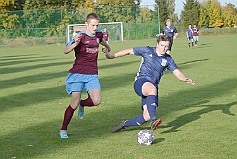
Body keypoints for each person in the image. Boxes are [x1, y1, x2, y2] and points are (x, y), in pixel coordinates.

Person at [105, 35, 195, 133]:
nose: (164, 48)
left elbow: (177, 72)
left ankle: (124, 124)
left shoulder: (168, 59)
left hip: (153, 88)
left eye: (166, 46)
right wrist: (112, 55)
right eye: (162, 45)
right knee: (152, 90)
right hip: (141, 82)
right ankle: (153, 120)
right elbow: (129, 51)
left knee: (146, 116)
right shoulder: (147, 50)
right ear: (157, 44)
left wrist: (184, 78)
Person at [59, 12, 111, 139]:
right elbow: (65, 50)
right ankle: (63, 129)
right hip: (77, 73)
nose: (95, 28)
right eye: (93, 25)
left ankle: (83, 104)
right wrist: (75, 44)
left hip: (92, 73)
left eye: (96, 25)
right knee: (74, 103)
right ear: (86, 24)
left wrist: (107, 49)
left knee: (97, 101)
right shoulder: (80, 36)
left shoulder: (98, 35)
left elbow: (103, 43)